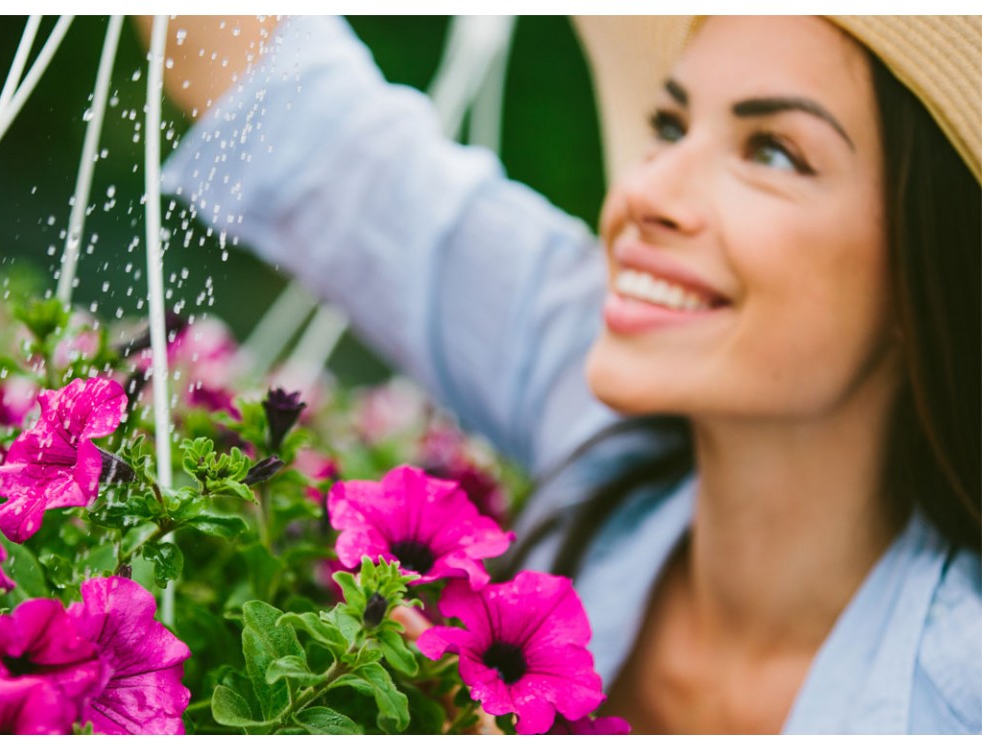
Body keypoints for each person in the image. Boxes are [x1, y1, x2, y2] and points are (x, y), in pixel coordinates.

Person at [148, 15, 981, 733]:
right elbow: (301, 123)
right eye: (669, 124)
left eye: (773, 151)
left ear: (932, 263)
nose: (646, 191)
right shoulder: (594, 386)